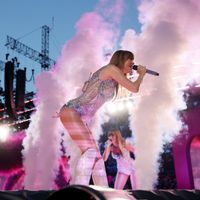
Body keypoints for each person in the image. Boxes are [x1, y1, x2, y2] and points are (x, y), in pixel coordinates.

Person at [59, 50, 146, 186]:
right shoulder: (111, 69)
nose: (132, 66)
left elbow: (126, 90)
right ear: (122, 60)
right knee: (90, 152)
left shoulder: (114, 78)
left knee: (97, 160)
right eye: (130, 63)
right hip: (72, 111)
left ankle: (104, 192)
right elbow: (134, 88)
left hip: (79, 116)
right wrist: (141, 74)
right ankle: (77, 191)